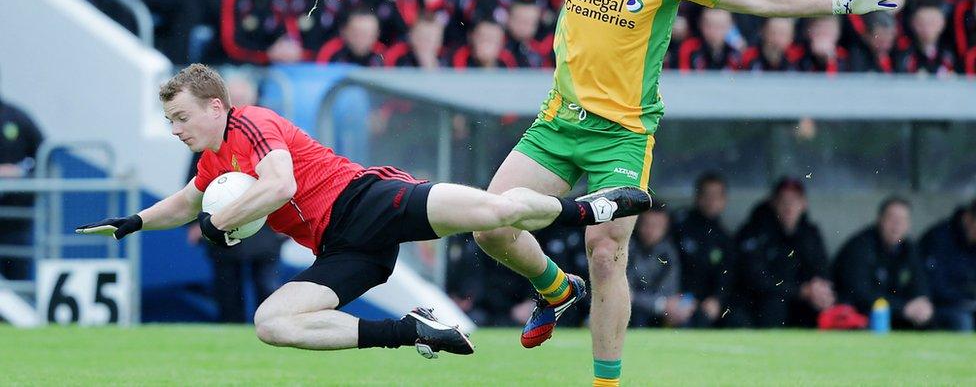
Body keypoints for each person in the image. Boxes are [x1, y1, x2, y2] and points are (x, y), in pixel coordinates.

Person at [425, 0, 901, 384]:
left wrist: (839, 2)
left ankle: (605, 382)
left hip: (623, 138)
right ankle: (557, 289)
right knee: (490, 226)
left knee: (605, 253)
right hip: (558, 125)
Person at [76, 64, 651, 356]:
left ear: (216, 106)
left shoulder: (253, 123)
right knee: (272, 323)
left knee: (492, 213)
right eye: (170, 121)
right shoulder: (212, 161)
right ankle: (414, 331)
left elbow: (278, 185)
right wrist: (134, 223)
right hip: (343, 247)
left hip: (366, 200)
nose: (175, 130)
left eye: (181, 118)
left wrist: (218, 221)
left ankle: (587, 211)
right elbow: (185, 203)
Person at [185, 74, 284, 323]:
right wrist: (195, 222)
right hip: (222, 221)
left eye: (243, 99)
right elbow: (195, 182)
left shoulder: (267, 131)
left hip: (265, 222)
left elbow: (283, 179)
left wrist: (289, 220)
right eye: (234, 100)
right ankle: (230, 330)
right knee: (227, 286)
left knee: (266, 283)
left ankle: (271, 327)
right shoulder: (210, 137)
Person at [731, 177, 834, 328]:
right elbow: (757, 280)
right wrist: (800, 291)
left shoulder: (810, 234)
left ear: (804, 204)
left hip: (800, 303)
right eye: (783, 200)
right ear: (773, 203)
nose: (789, 206)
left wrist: (819, 288)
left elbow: (821, 268)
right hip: (759, 305)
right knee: (774, 303)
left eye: (794, 200)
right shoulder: (755, 231)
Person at [832, 197, 933, 329]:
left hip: (897, 315)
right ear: (880, 220)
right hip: (860, 315)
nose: (897, 224)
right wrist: (902, 308)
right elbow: (859, 293)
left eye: (903, 220)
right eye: (892, 218)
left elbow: (920, 283)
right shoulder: (860, 246)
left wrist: (922, 303)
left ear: (909, 225)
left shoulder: (910, 250)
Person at [670, 172, 733, 328]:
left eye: (716, 196)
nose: (711, 201)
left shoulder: (725, 238)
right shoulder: (678, 227)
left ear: (724, 201)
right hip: (678, 296)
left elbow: (728, 274)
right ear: (697, 197)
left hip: (709, 301)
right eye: (707, 195)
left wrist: (717, 299)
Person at [0, 68, 44, 281]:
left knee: (16, 276)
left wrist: (19, 173)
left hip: (15, 220)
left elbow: (45, 155)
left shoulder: (15, 117)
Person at [627, 203, 690, 328]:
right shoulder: (627, 248)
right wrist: (658, 304)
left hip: (662, 308)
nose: (651, 230)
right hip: (634, 309)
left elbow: (669, 291)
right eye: (647, 224)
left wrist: (662, 304)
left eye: (657, 226)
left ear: (665, 228)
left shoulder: (670, 252)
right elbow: (627, 293)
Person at [920, 198, 976, 331]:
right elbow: (935, 286)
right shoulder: (938, 239)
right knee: (962, 321)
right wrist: (968, 298)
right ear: (968, 218)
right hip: (940, 306)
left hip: (968, 303)